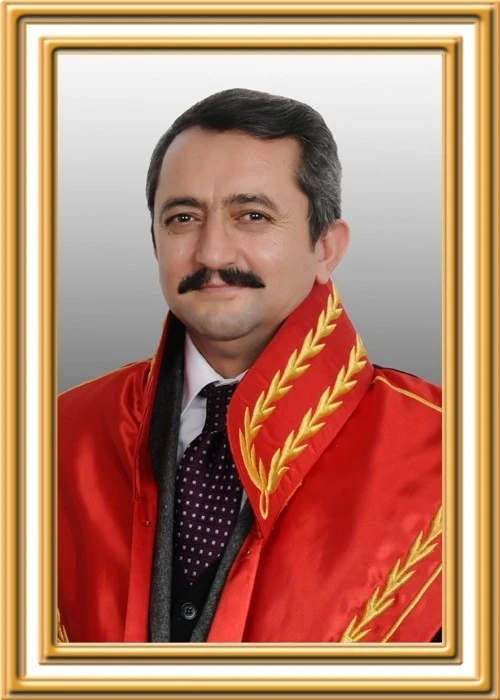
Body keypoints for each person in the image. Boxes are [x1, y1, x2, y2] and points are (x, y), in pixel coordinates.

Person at [57, 88, 442, 644]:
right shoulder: (53, 437)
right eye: (182, 218)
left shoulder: (456, 455)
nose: (213, 253)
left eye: (252, 216)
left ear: (326, 247)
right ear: (155, 244)